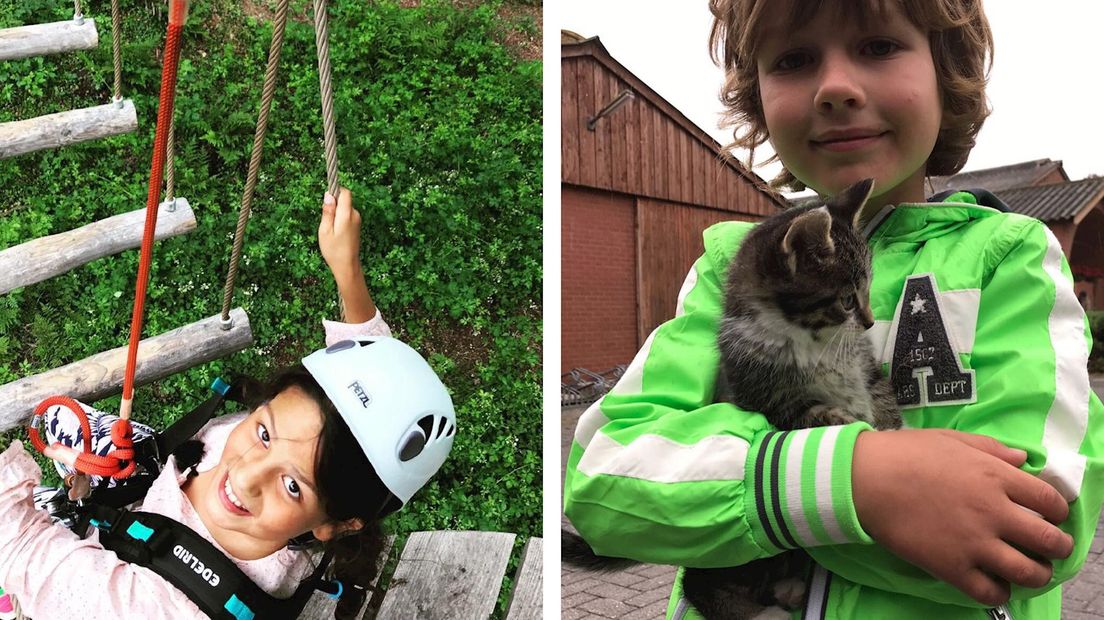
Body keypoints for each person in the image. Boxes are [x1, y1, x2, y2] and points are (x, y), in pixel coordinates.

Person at [562, 1, 1104, 618]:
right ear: (758, 94)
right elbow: (602, 481)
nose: (836, 87)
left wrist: (741, 506)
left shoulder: (1009, 258)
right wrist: (853, 482)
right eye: (794, 59)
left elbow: (1040, 533)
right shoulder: (727, 271)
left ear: (945, 73)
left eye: (878, 46)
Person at [0, 189, 456, 619]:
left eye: (293, 486)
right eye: (263, 433)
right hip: (161, 477)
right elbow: (373, 382)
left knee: (35, 522)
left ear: (336, 525)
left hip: (104, 563)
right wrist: (347, 270)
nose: (243, 474)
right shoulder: (332, 465)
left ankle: (42, 551)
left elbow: (17, 546)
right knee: (59, 419)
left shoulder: (152, 607)